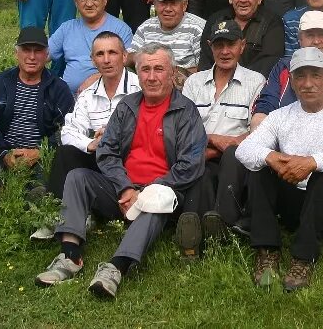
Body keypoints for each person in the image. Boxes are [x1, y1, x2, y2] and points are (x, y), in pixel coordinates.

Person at [34, 46, 207, 300]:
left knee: (155, 201)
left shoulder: (186, 111)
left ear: (172, 74)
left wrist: (145, 193)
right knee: (77, 177)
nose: (151, 76)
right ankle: (70, 255)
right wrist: (125, 187)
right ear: (137, 73)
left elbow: (191, 163)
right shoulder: (127, 107)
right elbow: (106, 151)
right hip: (123, 190)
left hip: (163, 191)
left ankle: (117, 266)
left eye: (159, 69)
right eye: (145, 69)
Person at [236, 46, 323, 291]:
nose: (307, 83)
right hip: (296, 203)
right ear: (291, 81)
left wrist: (310, 163)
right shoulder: (279, 115)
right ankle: (267, 252)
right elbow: (244, 150)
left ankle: (303, 259)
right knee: (260, 169)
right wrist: (272, 156)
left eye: (315, 75)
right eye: (300, 76)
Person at [33, 31, 141, 241]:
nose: (107, 59)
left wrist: (113, 135)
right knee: (66, 152)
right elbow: (69, 131)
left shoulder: (139, 88)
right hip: (100, 156)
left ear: (124, 56)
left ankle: (87, 213)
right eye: (100, 54)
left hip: (130, 158)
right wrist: (91, 143)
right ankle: (56, 213)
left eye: (112, 52)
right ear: (93, 60)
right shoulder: (88, 94)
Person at [178, 20, 266, 253]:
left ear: (242, 45)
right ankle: (198, 234)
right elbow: (184, 128)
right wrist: (215, 140)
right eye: (219, 45)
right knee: (203, 175)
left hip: (236, 158)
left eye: (231, 44)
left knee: (231, 155)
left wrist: (220, 146)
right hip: (200, 154)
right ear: (209, 46)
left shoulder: (256, 81)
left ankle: (223, 222)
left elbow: (256, 131)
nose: (225, 51)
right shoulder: (193, 82)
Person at [0, 27, 74, 192]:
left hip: (41, 155)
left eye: (38, 51)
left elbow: (68, 126)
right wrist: (4, 153)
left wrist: (40, 152)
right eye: (26, 50)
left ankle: (37, 193)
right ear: (16, 53)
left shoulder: (59, 88)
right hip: (4, 151)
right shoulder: (0, 83)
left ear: (46, 55)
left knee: (49, 173)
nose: (32, 57)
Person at [255, 11, 323, 128]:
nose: (316, 41)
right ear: (300, 40)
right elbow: (266, 104)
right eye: (310, 35)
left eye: (322, 34)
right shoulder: (283, 66)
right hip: (279, 136)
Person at [48, 0, 133, 95]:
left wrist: (99, 78)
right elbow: (44, 54)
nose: (89, 4)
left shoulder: (121, 29)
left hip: (108, 96)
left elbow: (128, 63)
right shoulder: (66, 28)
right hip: (70, 99)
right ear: (75, 1)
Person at [198, 0, 285, 78]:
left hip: (256, 85)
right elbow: (205, 60)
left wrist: (237, 80)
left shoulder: (272, 22)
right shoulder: (215, 20)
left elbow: (269, 62)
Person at [129, 0, 207, 88]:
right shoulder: (145, 27)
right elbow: (130, 57)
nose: (168, 9)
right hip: (150, 84)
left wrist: (167, 75)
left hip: (186, 88)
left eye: (173, 3)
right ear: (155, 5)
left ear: (184, 5)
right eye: (163, 3)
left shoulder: (199, 27)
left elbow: (204, 69)